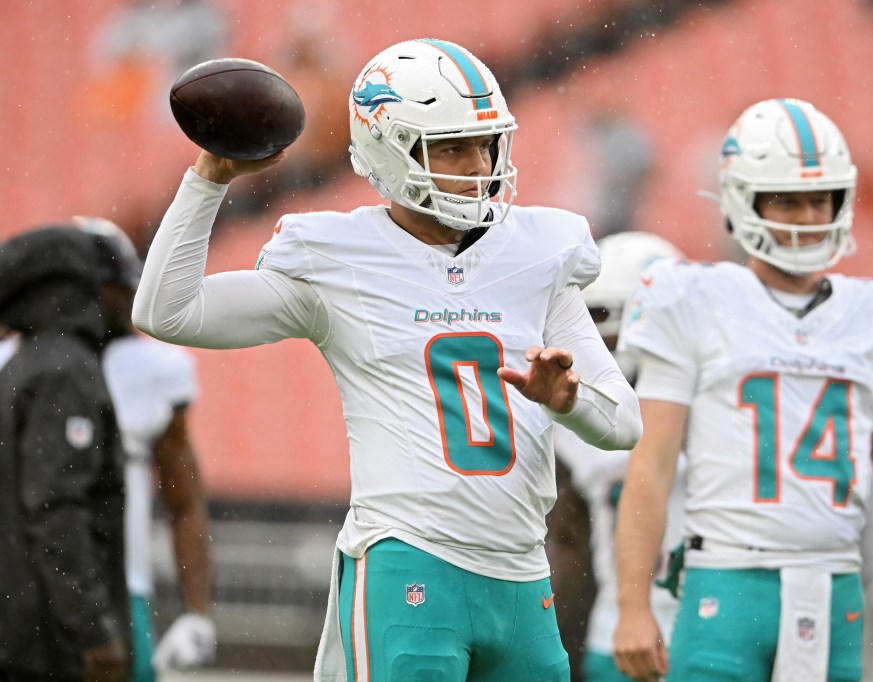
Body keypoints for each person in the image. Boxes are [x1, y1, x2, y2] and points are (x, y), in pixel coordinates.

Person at [131, 38, 642, 682]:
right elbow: (167, 312)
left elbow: (623, 424)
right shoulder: (340, 257)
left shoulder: (540, 252)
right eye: (452, 146)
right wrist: (209, 178)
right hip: (409, 557)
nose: (478, 163)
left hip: (521, 571)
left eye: (485, 143)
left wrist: (567, 402)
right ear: (389, 149)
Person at [611, 98, 873, 682]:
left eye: (818, 198)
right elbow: (651, 468)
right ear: (743, 201)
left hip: (833, 588)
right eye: (787, 199)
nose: (806, 215)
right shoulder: (692, 299)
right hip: (727, 578)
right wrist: (632, 607)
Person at [72, 217, 216, 681]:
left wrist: (197, 611)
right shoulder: (17, 365)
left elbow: (184, 503)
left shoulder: (155, 370)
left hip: (121, 587)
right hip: (23, 584)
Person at [547, 231, 684, 682]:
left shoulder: (727, 411)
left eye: (607, 317)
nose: (599, 339)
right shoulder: (570, 422)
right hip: (622, 633)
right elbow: (567, 554)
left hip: (707, 629)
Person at [0, 226, 131, 682]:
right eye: (115, 284)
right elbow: (56, 509)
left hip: (20, 629)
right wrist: (93, 630)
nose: (129, 297)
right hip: (49, 646)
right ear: (80, 289)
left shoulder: (25, 363)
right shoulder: (66, 371)